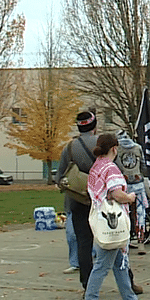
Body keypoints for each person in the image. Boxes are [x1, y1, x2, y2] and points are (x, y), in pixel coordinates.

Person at [82, 133, 150, 300]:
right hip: (113, 222)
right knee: (103, 265)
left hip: (100, 218)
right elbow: (116, 193)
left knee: (120, 264)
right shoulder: (111, 168)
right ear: (114, 148)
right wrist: (129, 197)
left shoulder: (96, 167)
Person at [56, 112, 100, 290]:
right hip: (101, 200)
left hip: (78, 200)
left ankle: (87, 283)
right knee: (113, 242)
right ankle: (126, 281)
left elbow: (60, 177)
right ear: (94, 125)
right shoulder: (103, 143)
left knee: (83, 242)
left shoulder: (69, 147)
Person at [114, 130, 150, 255]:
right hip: (138, 184)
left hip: (123, 186)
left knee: (123, 214)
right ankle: (141, 243)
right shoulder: (137, 148)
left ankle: (125, 241)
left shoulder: (116, 150)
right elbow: (143, 166)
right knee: (140, 214)